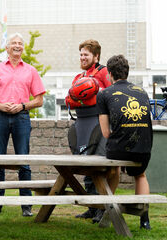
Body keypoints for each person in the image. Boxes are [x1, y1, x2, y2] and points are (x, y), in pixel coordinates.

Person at [0, 33, 45, 217]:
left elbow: (39, 100)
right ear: (7, 48)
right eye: (14, 43)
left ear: (22, 48)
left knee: (23, 161)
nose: (17, 45)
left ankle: (26, 205)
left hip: (21, 118)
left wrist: (22, 106)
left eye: (20, 43)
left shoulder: (31, 70)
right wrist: (0, 105)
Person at [97, 54, 153, 230]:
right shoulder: (142, 91)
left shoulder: (104, 94)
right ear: (127, 73)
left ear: (110, 74)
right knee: (140, 175)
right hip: (144, 146)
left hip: (119, 149)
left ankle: (109, 212)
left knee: (114, 169)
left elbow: (106, 132)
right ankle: (145, 220)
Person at [65, 39, 111, 223]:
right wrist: (84, 96)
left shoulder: (104, 72)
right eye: (81, 54)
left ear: (96, 56)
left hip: (99, 123)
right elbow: (69, 99)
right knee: (86, 166)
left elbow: (109, 94)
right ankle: (92, 208)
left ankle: (102, 208)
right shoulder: (79, 77)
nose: (83, 57)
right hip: (82, 122)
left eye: (86, 54)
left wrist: (87, 95)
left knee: (99, 166)